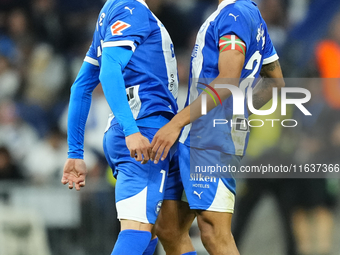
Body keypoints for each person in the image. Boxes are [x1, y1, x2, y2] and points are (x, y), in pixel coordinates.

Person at [151, 0, 285, 254]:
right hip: (200, 135)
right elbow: (275, 82)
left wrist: (176, 122)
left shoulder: (234, 14)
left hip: (209, 138)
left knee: (214, 232)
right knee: (168, 228)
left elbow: (227, 80)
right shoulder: (252, 16)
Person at [61, 0, 180, 254]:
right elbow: (108, 72)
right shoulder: (131, 8)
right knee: (136, 229)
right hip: (144, 130)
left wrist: (75, 153)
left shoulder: (109, 14)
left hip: (138, 129)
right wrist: (132, 131)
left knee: (152, 232)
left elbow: (80, 87)